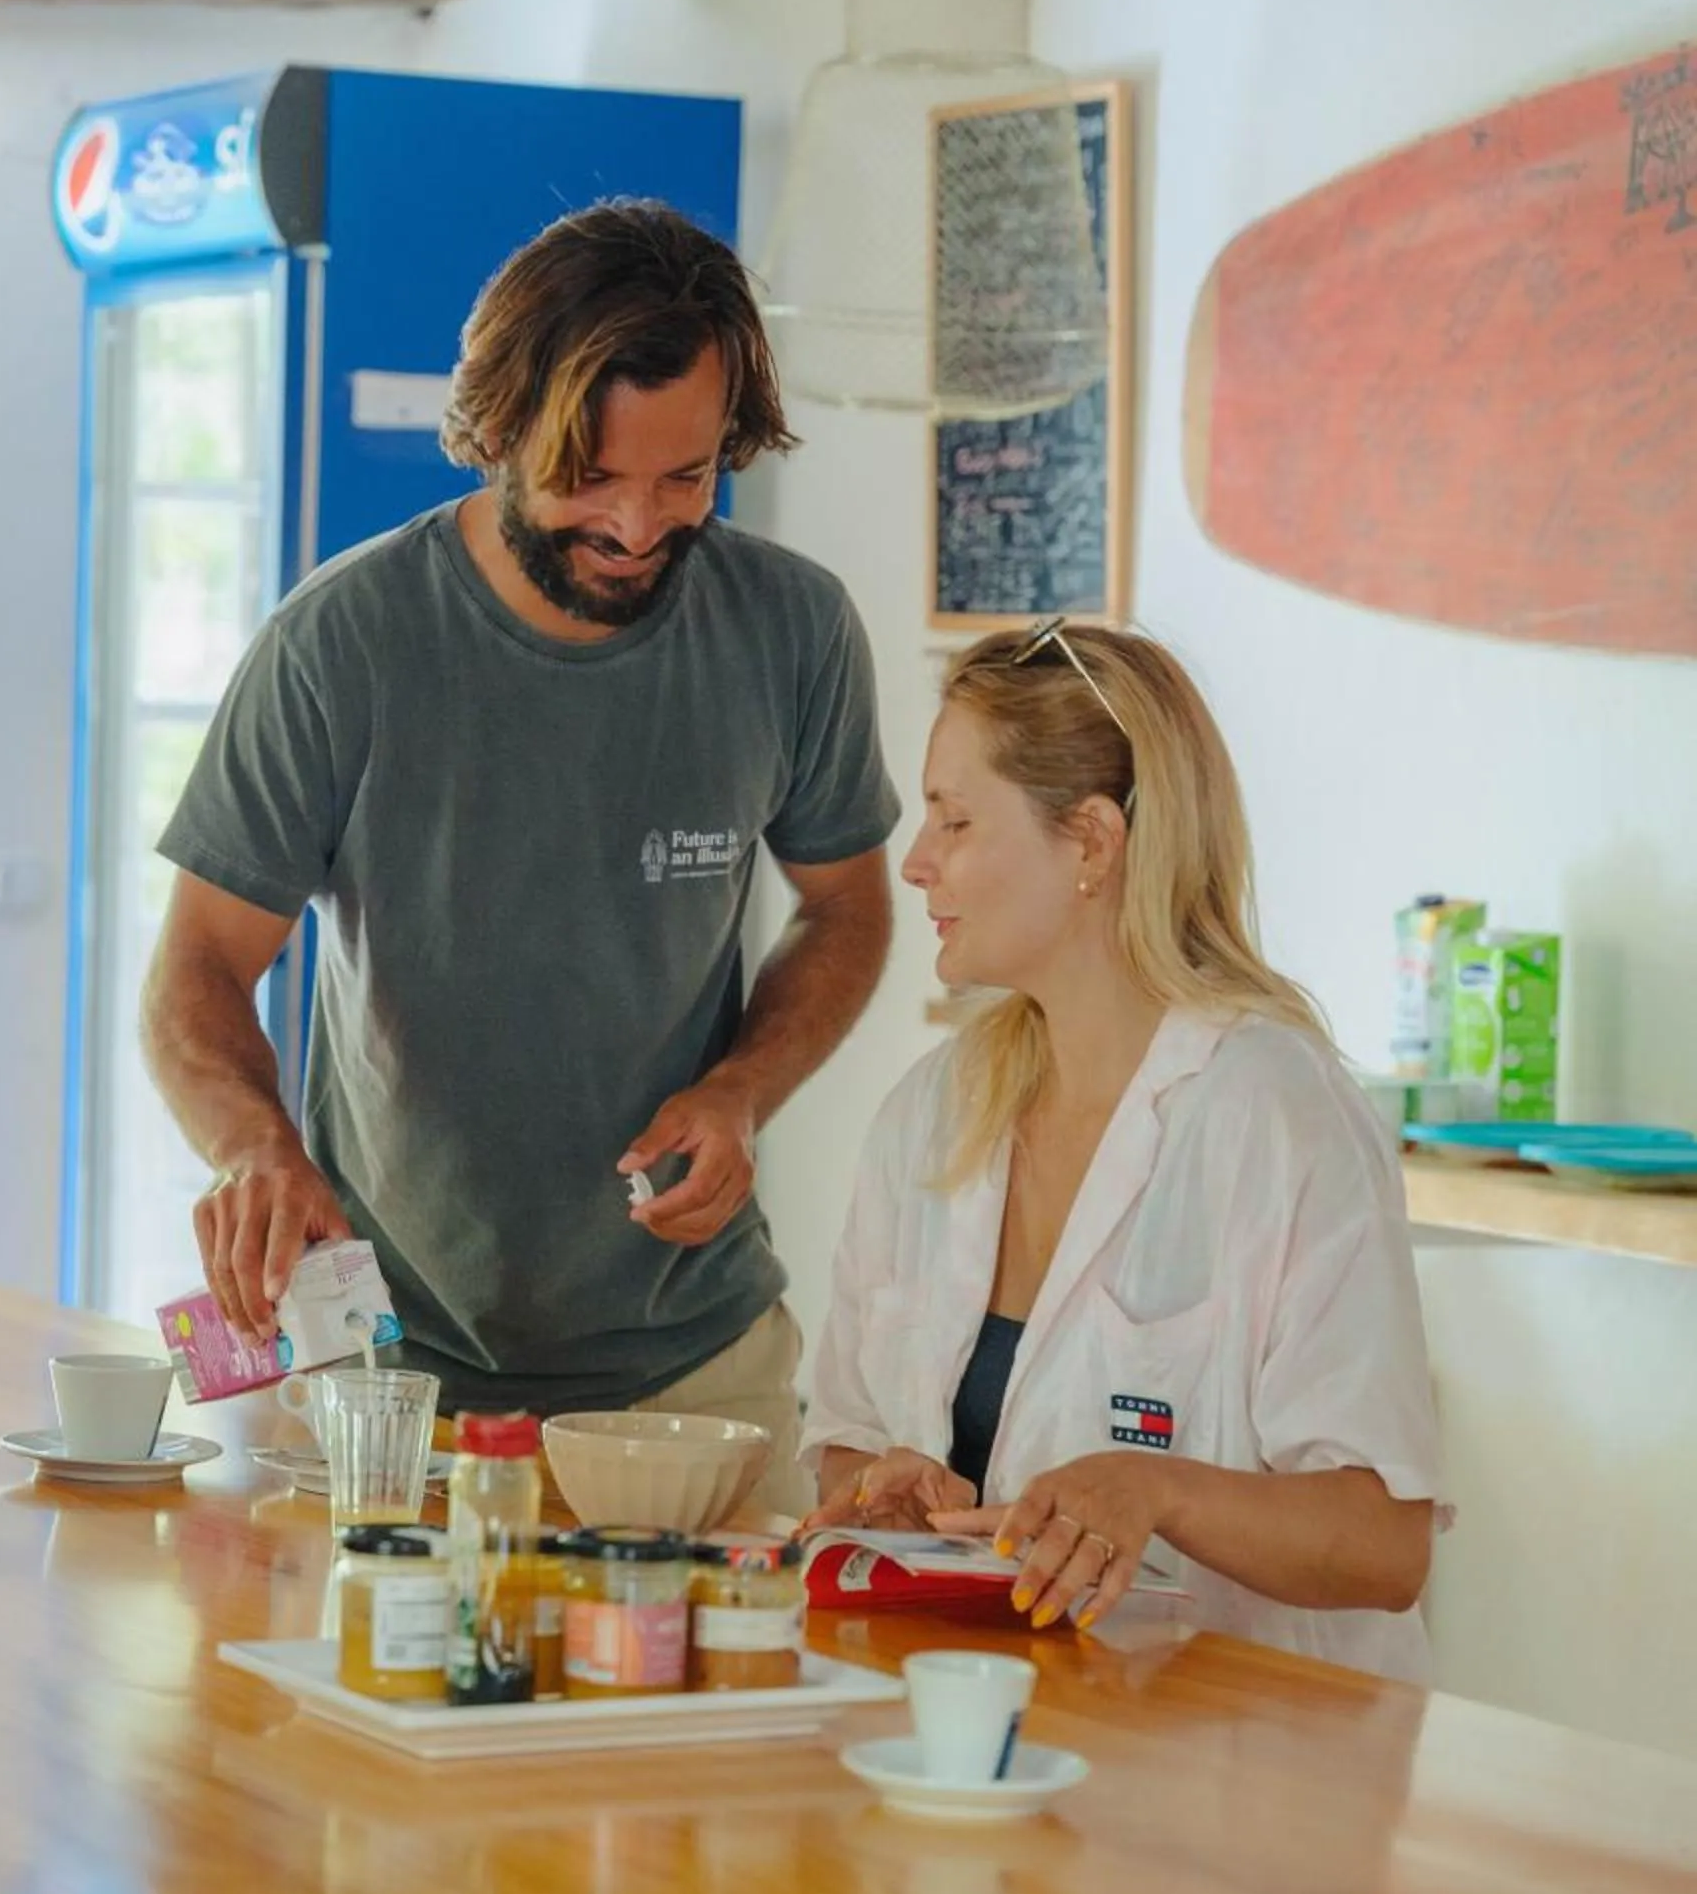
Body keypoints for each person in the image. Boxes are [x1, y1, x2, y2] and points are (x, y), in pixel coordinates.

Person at [143, 199, 898, 1499]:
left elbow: (848, 908)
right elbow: (198, 966)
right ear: (495, 430)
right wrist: (255, 1148)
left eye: (686, 477)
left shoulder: (793, 631)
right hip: (388, 1373)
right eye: (590, 476)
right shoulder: (340, 645)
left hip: (698, 1372)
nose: (639, 526)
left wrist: (741, 1091)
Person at [800, 620, 1446, 1679]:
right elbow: (845, 1435)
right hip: (995, 1721)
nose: (915, 862)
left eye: (956, 820)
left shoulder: (1277, 1112)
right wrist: (884, 1487)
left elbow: (1385, 1544)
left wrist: (1161, 1490)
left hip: (1251, 1753)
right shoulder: (929, 1114)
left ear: (1093, 844)